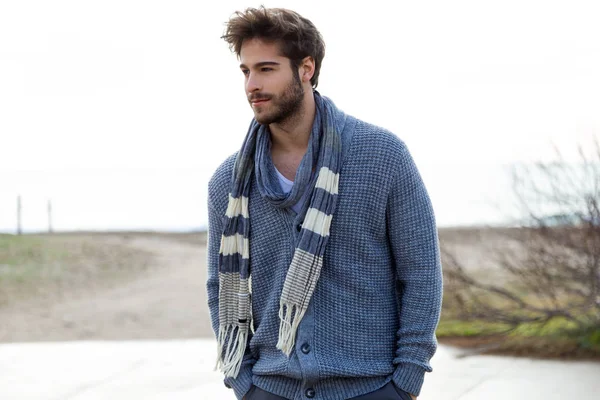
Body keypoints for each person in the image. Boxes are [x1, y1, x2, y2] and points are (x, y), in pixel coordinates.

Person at [206, 6, 442, 400]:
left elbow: (421, 273)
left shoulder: (382, 157)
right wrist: (244, 384)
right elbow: (220, 287)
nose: (252, 85)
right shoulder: (229, 182)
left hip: (372, 387)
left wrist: (407, 381)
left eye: (266, 69)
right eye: (246, 71)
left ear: (306, 68)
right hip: (270, 388)